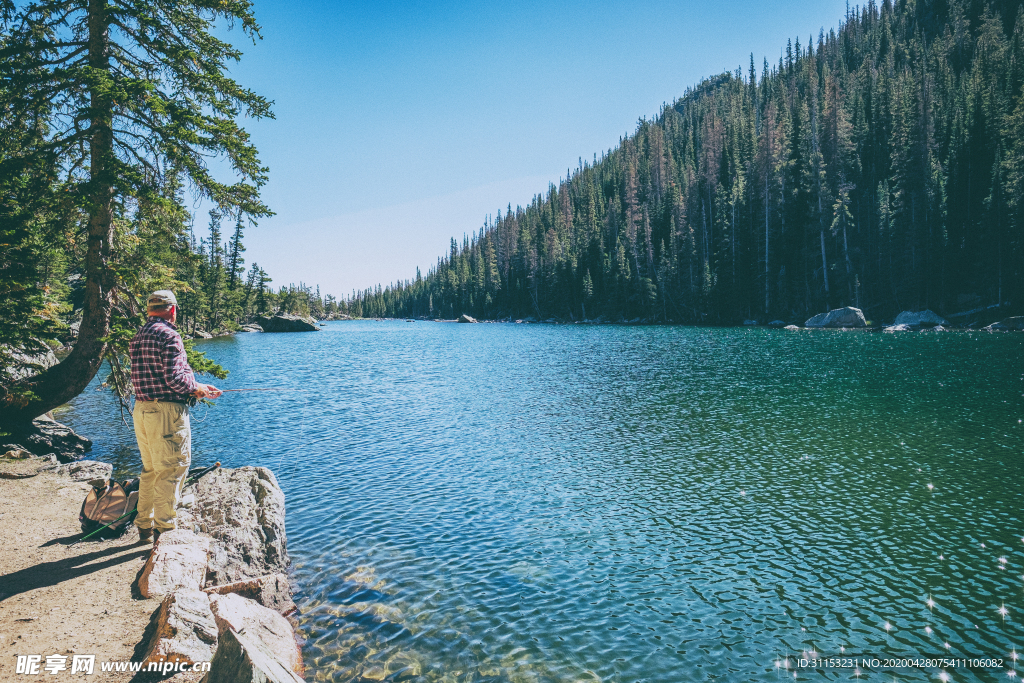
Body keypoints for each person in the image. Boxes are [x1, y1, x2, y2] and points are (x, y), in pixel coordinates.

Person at [129, 290, 221, 542]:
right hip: (166, 413)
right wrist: (196, 389)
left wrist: (198, 384)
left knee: (150, 470)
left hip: (142, 409)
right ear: (172, 309)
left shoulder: (139, 335)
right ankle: (166, 532)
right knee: (173, 469)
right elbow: (174, 378)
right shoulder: (169, 334)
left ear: (150, 309)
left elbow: (162, 376)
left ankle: (144, 527)